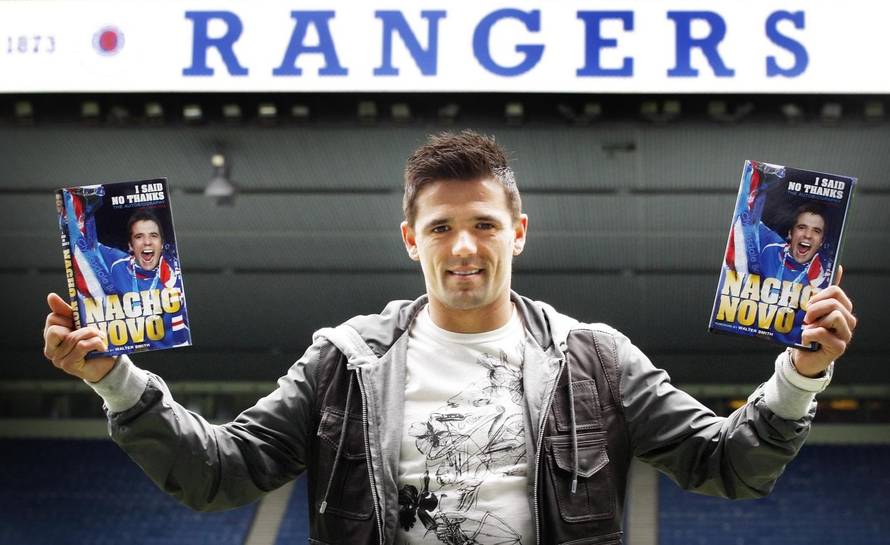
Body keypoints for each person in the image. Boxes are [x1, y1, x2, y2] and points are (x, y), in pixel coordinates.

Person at [43, 131, 857, 545]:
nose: (464, 245)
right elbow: (218, 473)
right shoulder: (344, 359)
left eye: (484, 224)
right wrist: (115, 378)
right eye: (441, 227)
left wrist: (801, 373)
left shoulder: (597, 357)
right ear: (411, 239)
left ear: (519, 231)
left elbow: (727, 465)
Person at [59, 188, 189, 350]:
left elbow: (181, 340)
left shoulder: (173, 281)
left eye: (153, 235)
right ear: (130, 246)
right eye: (139, 236)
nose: (147, 242)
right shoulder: (117, 262)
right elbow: (85, 247)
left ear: (162, 244)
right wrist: (75, 207)